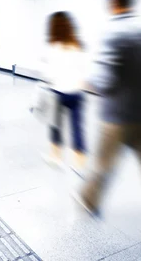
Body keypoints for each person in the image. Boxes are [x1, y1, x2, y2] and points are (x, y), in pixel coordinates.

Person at [75, 0, 141, 254]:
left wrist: (86, 83)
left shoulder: (112, 34)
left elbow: (105, 81)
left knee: (103, 165)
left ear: (113, 0)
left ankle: (89, 199)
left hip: (115, 119)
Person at [41, 12, 87, 171]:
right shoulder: (78, 45)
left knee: (56, 126)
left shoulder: (52, 47)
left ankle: (56, 157)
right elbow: (85, 69)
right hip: (77, 92)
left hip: (58, 92)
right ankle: (80, 164)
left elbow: (48, 74)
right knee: (77, 127)